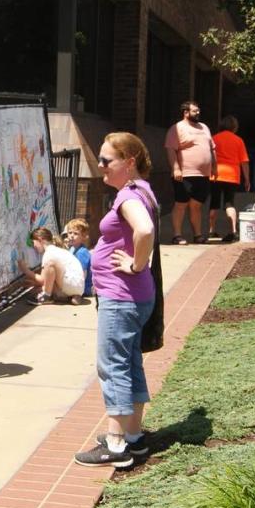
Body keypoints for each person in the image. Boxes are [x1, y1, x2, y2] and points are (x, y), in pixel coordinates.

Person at [74, 132, 158, 469]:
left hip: (121, 298)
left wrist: (136, 264)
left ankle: (116, 443)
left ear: (129, 162)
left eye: (107, 161)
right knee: (130, 362)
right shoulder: (142, 189)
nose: (101, 167)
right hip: (133, 297)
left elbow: (146, 231)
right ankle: (133, 435)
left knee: (113, 366)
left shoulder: (128, 196)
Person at [164, 101, 216, 244]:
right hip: (184, 174)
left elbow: (212, 148)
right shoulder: (177, 128)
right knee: (181, 204)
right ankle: (177, 235)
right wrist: (175, 168)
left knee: (197, 205)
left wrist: (214, 166)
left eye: (198, 110)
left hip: (203, 175)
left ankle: (198, 235)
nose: (198, 113)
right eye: (194, 111)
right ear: (186, 113)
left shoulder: (204, 127)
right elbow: (171, 149)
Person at [208, 115, 251, 242]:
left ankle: (211, 231)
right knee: (229, 204)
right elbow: (244, 162)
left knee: (214, 204)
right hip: (232, 176)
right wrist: (247, 179)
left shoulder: (214, 138)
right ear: (234, 126)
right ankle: (233, 231)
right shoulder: (238, 140)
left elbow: (209, 157)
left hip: (215, 175)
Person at [18, 227, 85, 305]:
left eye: (33, 243)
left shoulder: (49, 254)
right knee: (38, 288)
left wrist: (26, 270)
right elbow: (47, 279)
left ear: (40, 240)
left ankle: (46, 296)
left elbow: (43, 280)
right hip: (78, 288)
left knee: (50, 263)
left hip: (70, 284)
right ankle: (70, 296)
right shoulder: (58, 250)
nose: (34, 246)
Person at [63, 218, 93, 296]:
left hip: (83, 287)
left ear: (83, 237)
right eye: (70, 233)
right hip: (76, 282)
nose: (72, 236)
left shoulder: (82, 252)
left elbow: (82, 273)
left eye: (76, 233)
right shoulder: (72, 248)